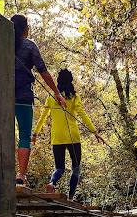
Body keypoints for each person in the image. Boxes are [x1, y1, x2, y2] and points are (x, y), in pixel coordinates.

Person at [32, 69, 105, 201]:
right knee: (75, 168)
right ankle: (70, 198)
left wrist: (35, 133)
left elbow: (43, 116)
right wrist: (94, 132)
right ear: (70, 81)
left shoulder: (51, 97)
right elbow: (82, 114)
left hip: (57, 137)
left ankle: (52, 183)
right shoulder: (74, 96)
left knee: (59, 168)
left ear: (58, 81)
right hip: (73, 137)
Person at [12, 14, 65, 187]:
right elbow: (43, 71)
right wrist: (57, 93)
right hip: (24, 96)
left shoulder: (2, 44)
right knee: (24, 135)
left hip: (3, 96)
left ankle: (3, 172)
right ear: (25, 28)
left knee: (3, 134)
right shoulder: (29, 46)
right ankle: (21, 175)